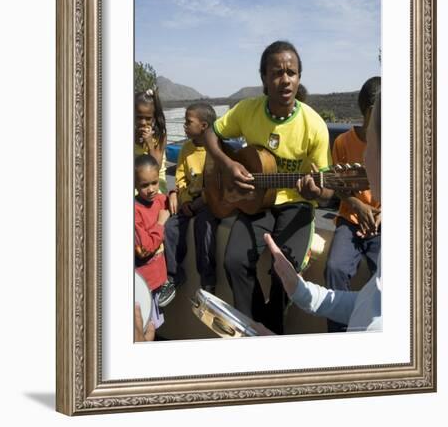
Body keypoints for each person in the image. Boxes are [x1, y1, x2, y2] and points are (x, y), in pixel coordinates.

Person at [203, 40, 332, 334]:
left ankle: (270, 334)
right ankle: (250, 327)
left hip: (297, 204)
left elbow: (327, 189)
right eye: (277, 72)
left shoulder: (314, 125)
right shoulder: (247, 110)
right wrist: (225, 163)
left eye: (292, 72)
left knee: (283, 272)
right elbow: (211, 132)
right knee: (234, 261)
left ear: (299, 78)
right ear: (263, 78)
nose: (285, 79)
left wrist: (316, 192)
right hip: (257, 202)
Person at [264, 90, 382, 332]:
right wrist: (300, 291)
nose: (362, 158)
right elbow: (368, 304)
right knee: (336, 268)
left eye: (370, 145)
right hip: (349, 221)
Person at [324, 76, 381, 332]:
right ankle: (340, 337)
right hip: (350, 220)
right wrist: (358, 206)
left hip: (381, 223)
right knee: (334, 269)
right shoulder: (343, 142)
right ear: (371, 110)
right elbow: (337, 185)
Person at [164, 102, 220, 293]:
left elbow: (215, 186)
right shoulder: (186, 149)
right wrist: (185, 200)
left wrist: (197, 204)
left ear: (203, 126)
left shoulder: (216, 149)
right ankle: (173, 275)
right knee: (170, 228)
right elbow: (180, 178)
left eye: (189, 122)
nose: (185, 126)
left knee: (203, 229)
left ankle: (208, 281)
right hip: (189, 201)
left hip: (208, 202)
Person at [134, 154, 176, 311]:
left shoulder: (160, 199)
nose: (151, 189)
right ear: (135, 184)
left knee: (153, 326)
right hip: (145, 283)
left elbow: (175, 202)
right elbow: (143, 251)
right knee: (145, 328)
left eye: (155, 183)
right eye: (145, 185)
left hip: (159, 281)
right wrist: (160, 223)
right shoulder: (135, 211)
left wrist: (173, 193)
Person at [135, 88, 177, 211]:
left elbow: (156, 166)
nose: (143, 122)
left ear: (153, 118)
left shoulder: (160, 136)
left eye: (147, 118)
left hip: (155, 184)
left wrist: (149, 144)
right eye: (138, 117)